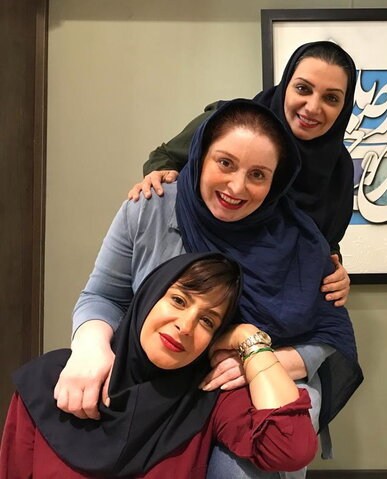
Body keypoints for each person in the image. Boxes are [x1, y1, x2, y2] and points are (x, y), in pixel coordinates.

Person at [54, 100, 363, 478]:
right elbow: (104, 295)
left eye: (258, 175)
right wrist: (90, 347)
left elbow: (327, 333)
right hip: (156, 376)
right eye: (225, 163)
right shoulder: (151, 206)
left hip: (243, 382)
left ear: (276, 182)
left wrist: (257, 360)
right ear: (200, 155)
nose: (237, 187)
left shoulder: (299, 240)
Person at [0, 252, 318, 477]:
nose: (185, 326)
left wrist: (250, 340)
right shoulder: (50, 381)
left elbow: (289, 448)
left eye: (208, 321)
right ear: (149, 296)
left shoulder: (207, 394)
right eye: (178, 300)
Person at [128, 41, 357, 308]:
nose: (313, 107)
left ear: (344, 107)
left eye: (331, 98)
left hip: (275, 302)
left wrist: (337, 271)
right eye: (303, 89)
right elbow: (165, 157)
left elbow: (325, 241)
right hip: (201, 287)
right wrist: (158, 178)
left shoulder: (339, 170)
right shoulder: (230, 123)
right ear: (286, 85)